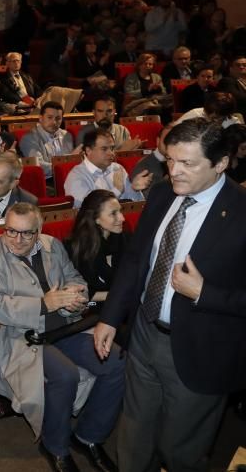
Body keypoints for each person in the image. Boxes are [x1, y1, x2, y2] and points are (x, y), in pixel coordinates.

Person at [93, 118, 246, 472]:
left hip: (201, 351)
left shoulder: (241, 212)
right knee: (134, 437)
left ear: (221, 163)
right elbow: (135, 260)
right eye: (170, 160)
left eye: (187, 163)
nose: (174, 171)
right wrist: (110, 317)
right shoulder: (163, 192)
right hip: (145, 334)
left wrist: (205, 292)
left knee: (180, 450)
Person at [0, 202, 125, 472]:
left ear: (38, 231)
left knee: (116, 362)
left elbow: (75, 278)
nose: (17, 240)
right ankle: (56, 445)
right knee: (65, 375)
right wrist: (44, 304)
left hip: (66, 327)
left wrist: (76, 295)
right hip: (23, 336)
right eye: (11, 231)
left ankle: (88, 436)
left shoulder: (52, 245)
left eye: (26, 233)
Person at [64, 128, 152, 208]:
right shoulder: (76, 176)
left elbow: (136, 205)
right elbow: (90, 209)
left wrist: (134, 189)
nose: (111, 153)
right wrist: (116, 191)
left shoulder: (117, 168)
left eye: (112, 148)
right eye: (104, 149)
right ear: (88, 150)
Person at [65, 190, 128, 294]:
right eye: (113, 213)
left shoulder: (125, 240)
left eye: (120, 211)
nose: (122, 218)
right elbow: (87, 295)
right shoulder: (78, 248)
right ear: (96, 218)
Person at [20, 101, 74, 181]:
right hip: (46, 182)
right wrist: (66, 165)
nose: (54, 122)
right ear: (41, 118)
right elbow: (39, 166)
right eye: (49, 117)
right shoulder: (29, 139)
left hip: (68, 177)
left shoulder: (66, 135)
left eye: (58, 118)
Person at [75, 97, 140, 151]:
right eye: (100, 111)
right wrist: (122, 151)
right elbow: (86, 161)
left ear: (114, 112)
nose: (105, 115)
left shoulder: (122, 130)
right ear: (94, 113)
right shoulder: (84, 133)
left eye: (109, 111)